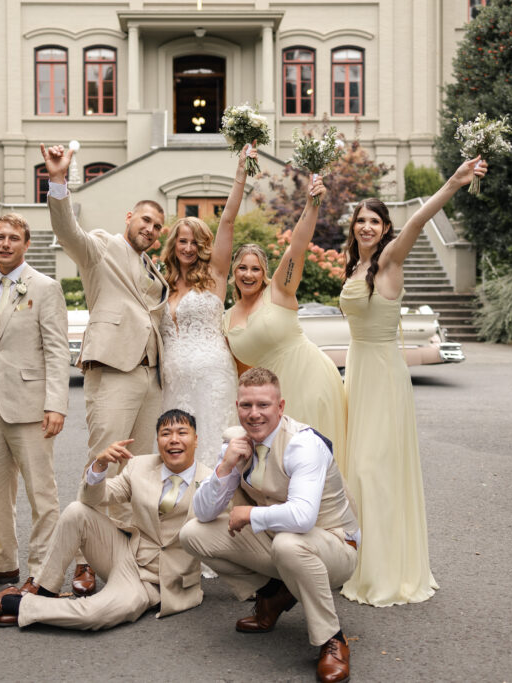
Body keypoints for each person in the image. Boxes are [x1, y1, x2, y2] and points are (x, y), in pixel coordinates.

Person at [339, 157, 487, 607]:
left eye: (374, 222)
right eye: (360, 221)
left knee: (374, 469)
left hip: (383, 374)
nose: (366, 227)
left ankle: (386, 571)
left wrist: (455, 182)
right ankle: (359, 564)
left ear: (385, 228)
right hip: (358, 372)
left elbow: (419, 219)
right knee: (356, 473)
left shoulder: (388, 260)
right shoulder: (353, 268)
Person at [39, 143, 169, 597]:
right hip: (112, 369)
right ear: (129, 217)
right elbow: (66, 231)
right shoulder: (102, 248)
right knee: (103, 462)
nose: (150, 229)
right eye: (145, 220)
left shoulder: (156, 270)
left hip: (151, 378)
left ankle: (123, 552)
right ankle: (81, 560)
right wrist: (59, 181)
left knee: (139, 470)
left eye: (157, 227)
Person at [0, 409, 213, 631]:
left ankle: (10, 603)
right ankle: (45, 590)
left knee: (95, 615)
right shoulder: (140, 466)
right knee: (77, 510)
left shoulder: (212, 481)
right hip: (125, 555)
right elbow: (94, 500)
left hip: (154, 583)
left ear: (196, 439)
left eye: (182, 433)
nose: (174, 440)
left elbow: (227, 534)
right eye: (166, 434)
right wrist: (99, 466)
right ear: (157, 441)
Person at [180, 368, 360, 683]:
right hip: (280, 538)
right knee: (192, 534)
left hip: (335, 545)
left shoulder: (303, 445)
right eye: (246, 405)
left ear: (280, 407)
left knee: (289, 545)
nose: (254, 414)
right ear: (237, 406)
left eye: (263, 405)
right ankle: (273, 595)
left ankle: (332, 638)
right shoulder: (236, 444)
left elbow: (303, 517)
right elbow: (203, 512)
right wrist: (225, 466)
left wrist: (250, 514)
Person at [0, 213, 70, 590]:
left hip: (31, 406)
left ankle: (43, 569)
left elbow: (56, 351)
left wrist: (56, 404)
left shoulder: (45, 287)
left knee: (42, 493)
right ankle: (4, 564)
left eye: (13, 238)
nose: (5, 243)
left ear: (26, 244)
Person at [220, 152, 347, 477]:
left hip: (310, 381)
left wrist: (312, 204)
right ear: (233, 273)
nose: (248, 274)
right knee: (279, 472)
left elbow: (298, 247)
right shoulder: (225, 318)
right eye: (242, 268)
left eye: (255, 269)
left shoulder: (279, 292)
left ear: (265, 274)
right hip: (270, 401)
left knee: (314, 466)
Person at [158, 194, 238, 467]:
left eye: (195, 242)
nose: (189, 248)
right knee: (176, 444)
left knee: (212, 441)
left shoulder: (215, 274)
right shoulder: (162, 284)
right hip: (172, 381)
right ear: (174, 244)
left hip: (211, 377)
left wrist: (241, 174)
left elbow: (227, 221)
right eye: (183, 241)